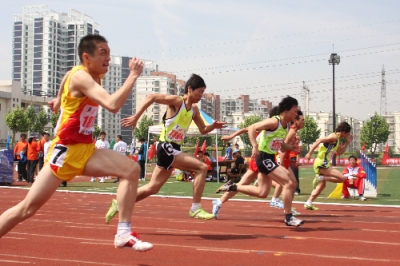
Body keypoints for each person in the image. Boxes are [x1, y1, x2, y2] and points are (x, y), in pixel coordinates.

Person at [0, 34, 152, 251]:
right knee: (26, 209)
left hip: (86, 150)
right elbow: (112, 104)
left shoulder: (88, 73)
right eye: (103, 53)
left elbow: (66, 75)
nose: (108, 58)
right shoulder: (82, 77)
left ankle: (123, 232)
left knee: (131, 170)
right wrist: (133, 76)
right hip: (64, 153)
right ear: (86, 57)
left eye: (109, 52)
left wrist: (59, 97)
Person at [105, 73, 226, 224]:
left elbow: (203, 130)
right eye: (199, 91)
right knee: (201, 167)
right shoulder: (177, 102)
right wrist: (136, 117)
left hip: (173, 149)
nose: (201, 95)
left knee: (152, 188)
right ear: (189, 89)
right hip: (166, 146)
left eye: (203, 92)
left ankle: (119, 203)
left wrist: (213, 126)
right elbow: (151, 97)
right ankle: (195, 208)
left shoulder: (194, 110)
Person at [216, 96, 304, 227]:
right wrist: (254, 146)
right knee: (289, 183)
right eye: (295, 111)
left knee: (262, 193)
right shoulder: (274, 122)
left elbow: (281, 146)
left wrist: (292, 148)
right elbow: (251, 128)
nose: (296, 114)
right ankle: (288, 217)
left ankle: (233, 186)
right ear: (286, 110)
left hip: (269, 158)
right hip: (263, 158)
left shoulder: (286, 127)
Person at [304, 122, 353, 210]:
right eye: (348, 132)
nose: (349, 134)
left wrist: (347, 143)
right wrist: (309, 153)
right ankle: (321, 178)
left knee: (322, 186)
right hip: (322, 162)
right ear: (343, 131)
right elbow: (318, 141)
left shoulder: (337, 139)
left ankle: (309, 202)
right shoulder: (333, 137)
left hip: (325, 162)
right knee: (342, 178)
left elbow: (339, 152)